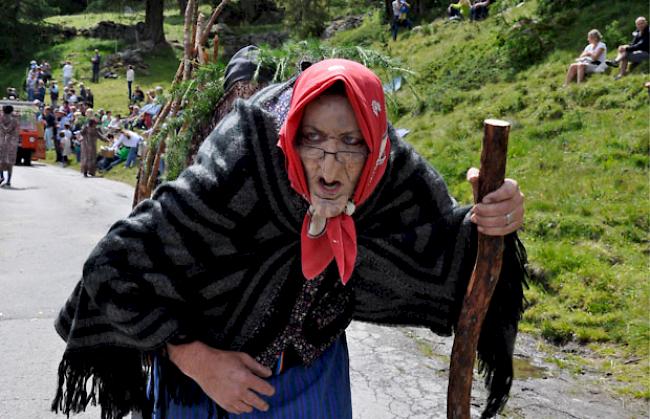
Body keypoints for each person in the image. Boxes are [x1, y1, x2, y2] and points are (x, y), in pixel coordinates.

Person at [52, 59, 526, 419]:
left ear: (375, 142)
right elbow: (114, 267)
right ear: (291, 134)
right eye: (312, 138)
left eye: (351, 142)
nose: (329, 163)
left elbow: (448, 243)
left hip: (311, 376)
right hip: (202, 382)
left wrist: (495, 215)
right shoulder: (242, 163)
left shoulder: (389, 168)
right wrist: (199, 362)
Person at [0, 105, 19, 187]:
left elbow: (4, 129)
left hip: (1, 142)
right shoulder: (15, 120)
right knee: (10, 163)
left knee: (0, 161)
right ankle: (8, 181)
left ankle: (1, 177)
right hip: (11, 143)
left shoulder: (1, 119)